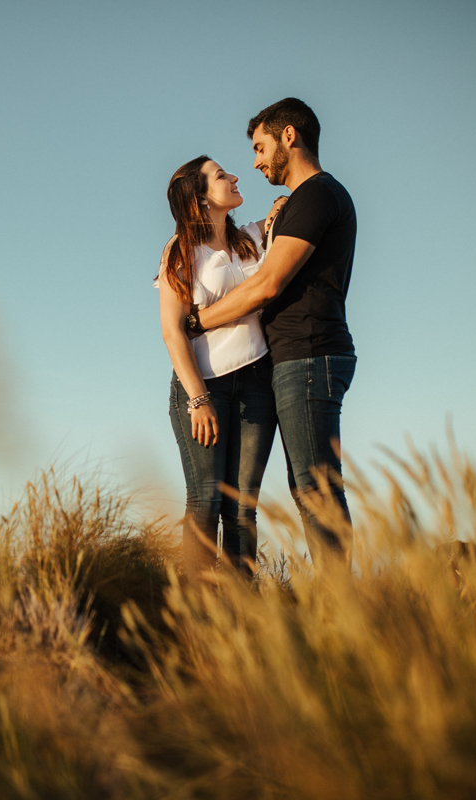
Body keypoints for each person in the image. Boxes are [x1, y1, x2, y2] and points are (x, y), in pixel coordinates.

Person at [190, 98, 357, 566]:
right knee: (308, 486)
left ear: (289, 136)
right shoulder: (302, 202)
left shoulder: (317, 194)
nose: (256, 162)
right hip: (298, 357)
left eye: (260, 147)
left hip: (309, 354)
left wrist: (198, 321)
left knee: (315, 488)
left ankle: (341, 602)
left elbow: (267, 284)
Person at [156, 156, 287, 577]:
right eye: (220, 175)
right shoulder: (180, 251)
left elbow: (281, 217)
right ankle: (196, 606)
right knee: (206, 500)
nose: (233, 177)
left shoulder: (249, 238)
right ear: (200, 198)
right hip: (203, 387)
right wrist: (198, 399)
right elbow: (173, 332)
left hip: (257, 384)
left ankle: (241, 608)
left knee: (242, 507)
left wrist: (280, 205)